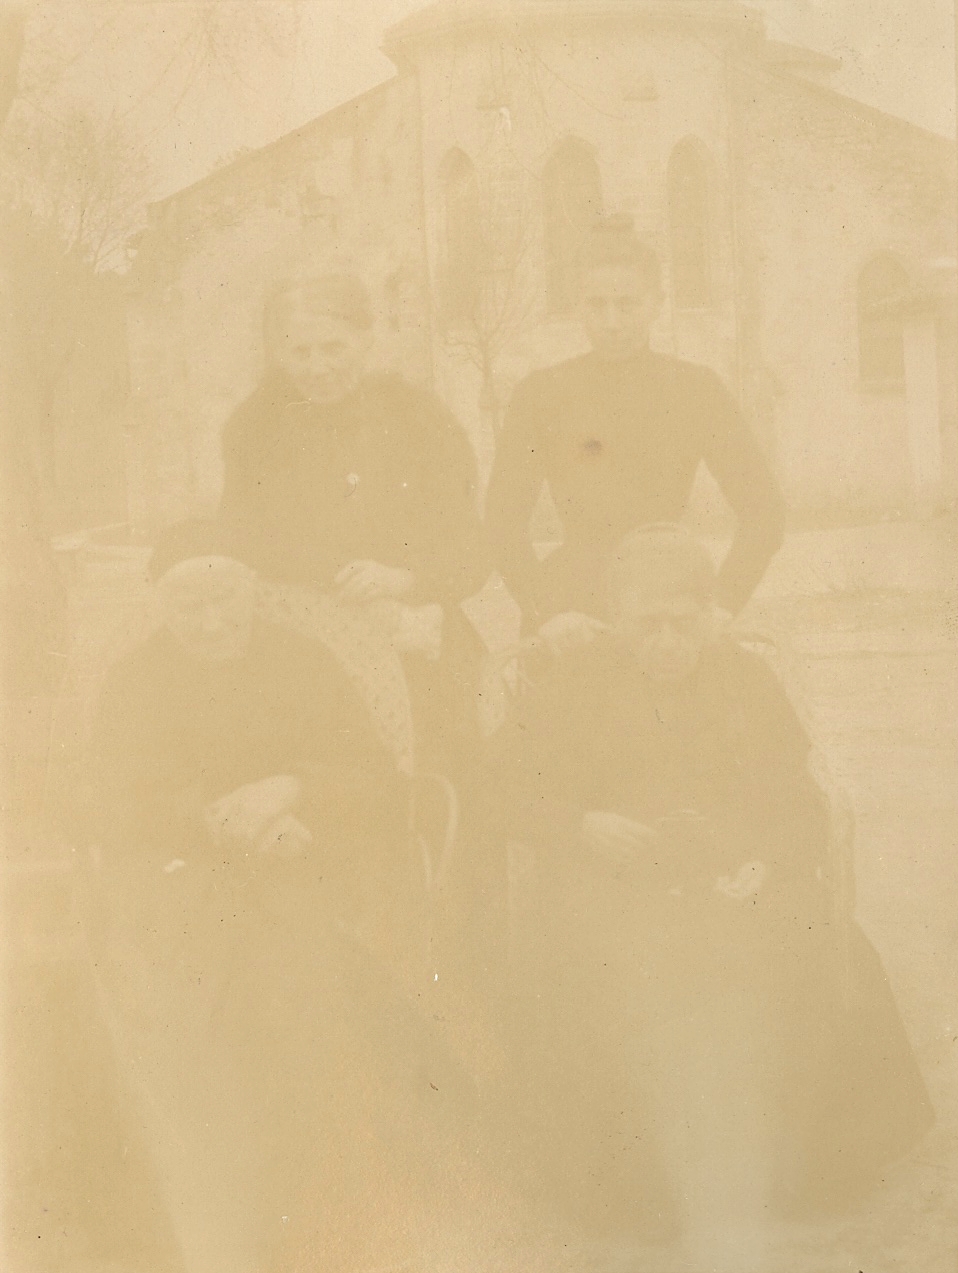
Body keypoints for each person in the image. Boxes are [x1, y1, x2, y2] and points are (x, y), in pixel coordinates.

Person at [489, 524, 933, 1268]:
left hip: (730, 877)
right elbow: (503, 788)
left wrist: (763, 862)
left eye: (683, 622)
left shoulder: (745, 680)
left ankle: (793, 1178)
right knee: (608, 964)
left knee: (792, 940)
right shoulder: (572, 682)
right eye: (647, 624)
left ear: (709, 617)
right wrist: (579, 825)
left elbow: (798, 805)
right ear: (617, 619)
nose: (667, 641)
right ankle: (637, 1191)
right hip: (611, 876)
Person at [83, 520, 473, 1273]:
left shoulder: (303, 660)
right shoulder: (137, 680)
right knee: (213, 1006)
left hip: (313, 864)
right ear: (163, 608)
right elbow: (110, 800)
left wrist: (293, 790)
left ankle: (339, 1211)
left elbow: (376, 777)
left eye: (224, 599)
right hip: (192, 879)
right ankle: (234, 1221)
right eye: (190, 607)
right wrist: (218, 821)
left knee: (314, 989)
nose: (211, 622)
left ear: (253, 593)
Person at [217, 270, 490, 775]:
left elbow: (471, 550)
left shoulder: (417, 417)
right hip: (303, 646)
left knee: (438, 780)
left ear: (365, 339)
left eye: (333, 347)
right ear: (278, 352)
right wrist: (336, 577)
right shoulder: (255, 428)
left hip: (417, 639)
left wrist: (403, 579)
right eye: (300, 352)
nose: (318, 367)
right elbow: (240, 537)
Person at [484, 215, 786, 654]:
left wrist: (721, 606)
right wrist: (546, 613)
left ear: (656, 303)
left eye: (627, 305)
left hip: (669, 611)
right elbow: (502, 521)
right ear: (577, 304)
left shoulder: (695, 389)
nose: (611, 321)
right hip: (572, 616)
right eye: (596, 304)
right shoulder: (541, 394)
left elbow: (765, 512)